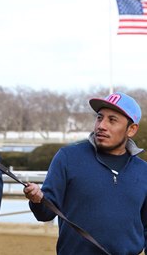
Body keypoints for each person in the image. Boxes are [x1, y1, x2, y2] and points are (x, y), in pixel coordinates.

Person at [24, 91, 147, 255]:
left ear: (131, 129)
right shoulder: (67, 158)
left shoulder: (143, 170)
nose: (101, 125)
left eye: (112, 120)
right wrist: (37, 199)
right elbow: (46, 213)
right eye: (99, 117)